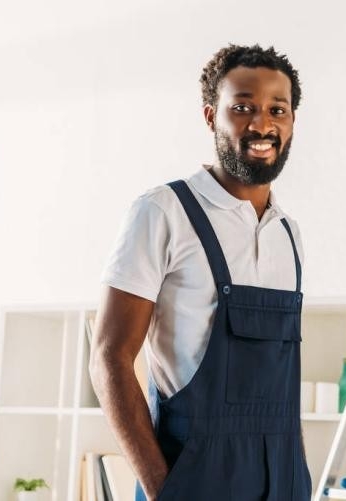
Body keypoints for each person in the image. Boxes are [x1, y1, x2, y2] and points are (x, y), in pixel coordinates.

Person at [89, 44, 311, 501]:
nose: (262, 123)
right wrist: (164, 489)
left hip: (284, 481)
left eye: (277, 109)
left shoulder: (289, 234)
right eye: (243, 107)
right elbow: (108, 358)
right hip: (194, 481)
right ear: (212, 116)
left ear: (291, 121)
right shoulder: (163, 211)